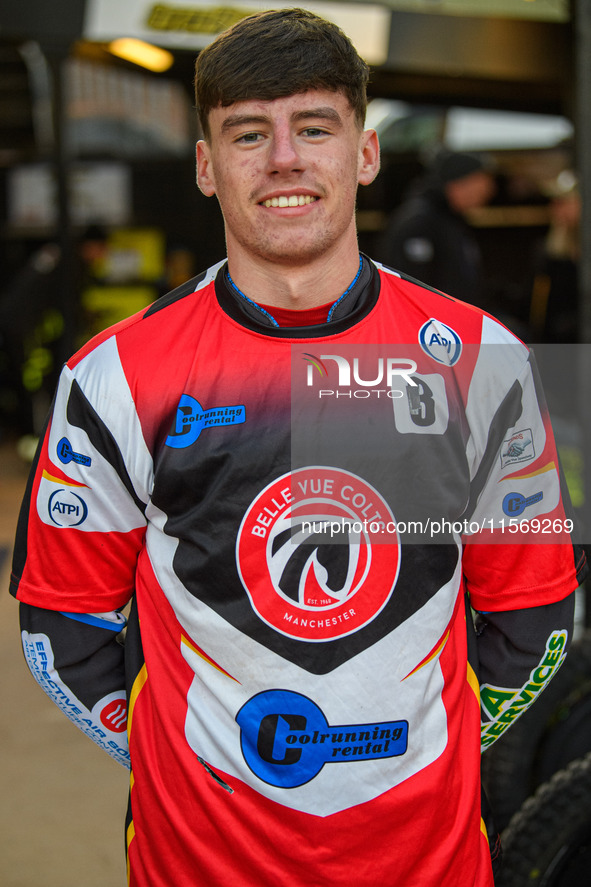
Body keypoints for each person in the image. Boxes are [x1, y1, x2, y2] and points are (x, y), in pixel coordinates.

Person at [9, 9, 586, 887]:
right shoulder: (117, 374)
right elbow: (63, 622)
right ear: (206, 167)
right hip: (194, 865)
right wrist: (180, 761)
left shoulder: (483, 358)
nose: (283, 158)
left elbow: (532, 613)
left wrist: (424, 751)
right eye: (248, 133)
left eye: (314, 127)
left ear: (364, 153)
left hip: (428, 865)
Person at [376, 148, 496, 305]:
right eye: (480, 185)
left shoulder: (451, 218)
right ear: (458, 183)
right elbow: (412, 288)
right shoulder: (420, 222)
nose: (487, 193)